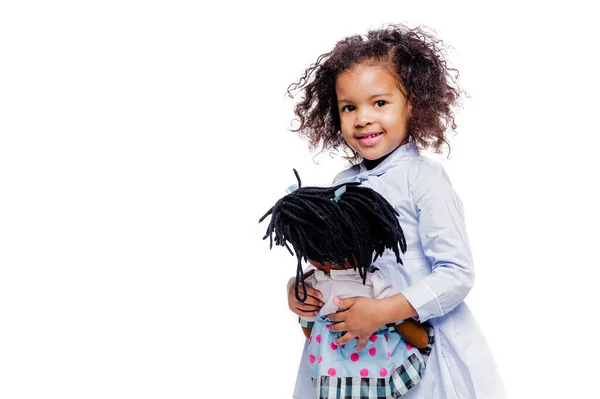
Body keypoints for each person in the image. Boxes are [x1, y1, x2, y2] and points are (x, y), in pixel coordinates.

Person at [285, 23, 507, 399]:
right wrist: (301, 288)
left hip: (421, 348)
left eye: (380, 103)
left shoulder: (424, 178)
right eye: (349, 107)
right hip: (350, 356)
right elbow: (333, 260)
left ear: (412, 104)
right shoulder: (341, 184)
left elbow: (457, 273)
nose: (363, 118)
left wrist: (383, 311)